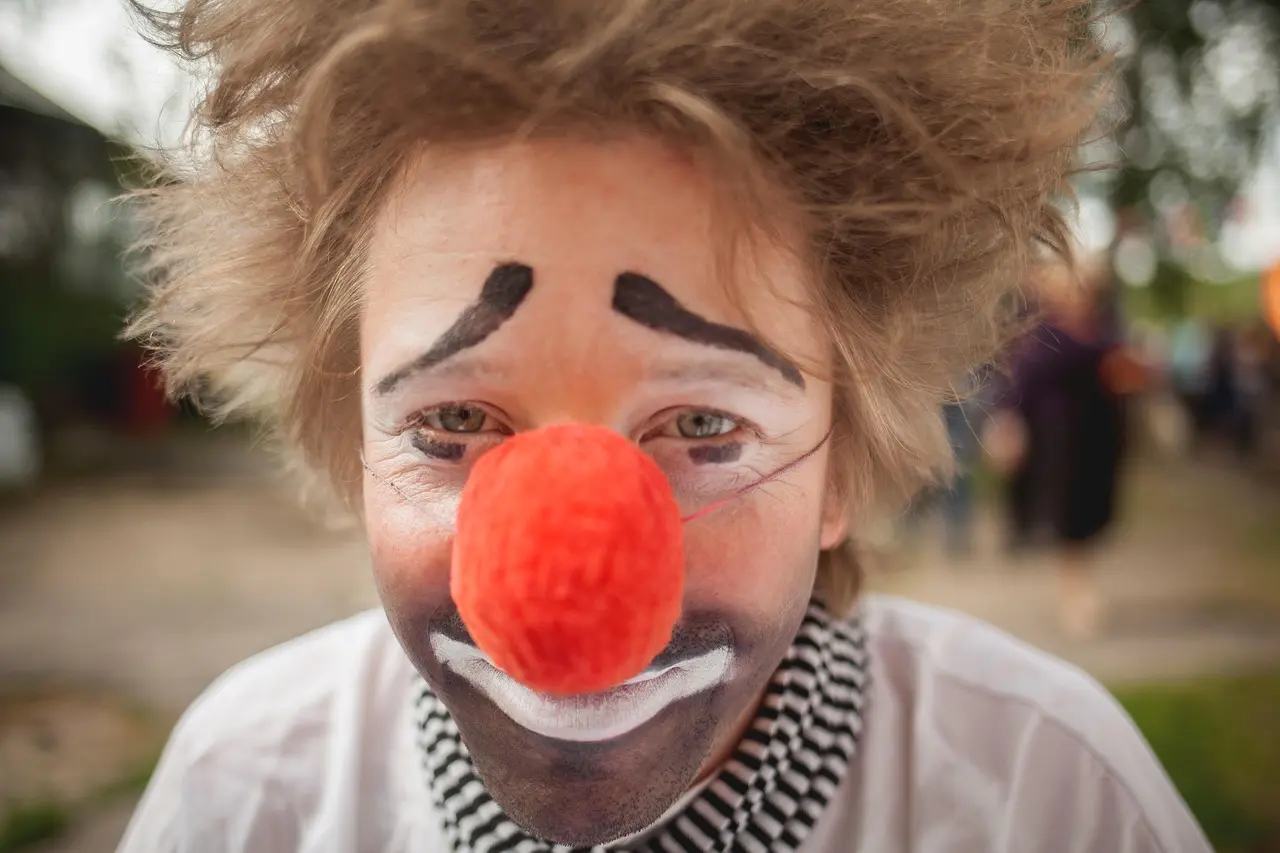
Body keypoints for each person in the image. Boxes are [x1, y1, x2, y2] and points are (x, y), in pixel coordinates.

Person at [117, 1, 1210, 851]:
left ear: (840, 461)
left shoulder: (1051, 797)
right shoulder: (245, 790)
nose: (575, 604)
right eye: (453, 417)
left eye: (700, 421)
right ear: (350, 431)